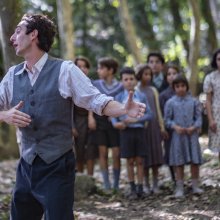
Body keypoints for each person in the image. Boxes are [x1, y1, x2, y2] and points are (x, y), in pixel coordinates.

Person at [0, 14, 146, 220]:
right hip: (26, 166)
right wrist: (5, 115)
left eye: (18, 31)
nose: (12, 37)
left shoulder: (65, 70)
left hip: (57, 164)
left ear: (33, 35)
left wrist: (123, 108)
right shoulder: (11, 76)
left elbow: (96, 100)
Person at [111, 67, 152, 199]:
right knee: (129, 161)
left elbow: (150, 114)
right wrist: (115, 123)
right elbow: (112, 114)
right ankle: (132, 188)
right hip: (126, 132)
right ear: (122, 81)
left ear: (135, 80)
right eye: (125, 79)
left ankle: (141, 188)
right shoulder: (118, 97)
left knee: (140, 160)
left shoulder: (141, 96)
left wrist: (135, 120)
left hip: (139, 131)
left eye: (131, 79)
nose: (129, 82)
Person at [164, 75, 203, 198]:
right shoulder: (170, 102)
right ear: (174, 87)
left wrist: (194, 127)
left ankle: (195, 186)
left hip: (191, 136)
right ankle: (179, 188)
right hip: (178, 136)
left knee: (194, 161)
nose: (180, 89)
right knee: (178, 162)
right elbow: (167, 120)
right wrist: (175, 127)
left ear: (186, 86)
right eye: (177, 86)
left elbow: (199, 118)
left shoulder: (194, 101)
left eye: (183, 86)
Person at [92, 57, 123, 191]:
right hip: (99, 122)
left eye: (101, 68)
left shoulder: (121, 86)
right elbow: (90, 101)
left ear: (110, 70)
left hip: (115, 123)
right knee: (102, 152)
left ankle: (116, 184)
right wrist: (90, 117)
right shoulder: (95, 84)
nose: (98, 71)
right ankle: (106, 184)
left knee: (116, 153)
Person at [135, 64, 166, 195]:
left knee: (155, 156)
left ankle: (155, 184)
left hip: (154, 127)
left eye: (149, 74)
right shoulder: (136, 90)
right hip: (142, 127)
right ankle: (145, 183)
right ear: (139, 75)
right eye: (145, 74)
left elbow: (157, 110)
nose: (147, 77)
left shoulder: (153, 90)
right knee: (144, 157)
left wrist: (161, 126)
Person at [73, 56, 98, 176]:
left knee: (91, 149)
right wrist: (71, 126)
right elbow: (68, 108)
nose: (82, 69)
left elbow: (93, 101)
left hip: (90, 117)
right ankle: (80, 176)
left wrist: (91, 117)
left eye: (85, 66)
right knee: (79, 148)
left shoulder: (92, 83)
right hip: (76, 119)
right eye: (79, 66)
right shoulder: (70, 84)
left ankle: (90, 177)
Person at [159, 64, 179, 184]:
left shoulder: (185, 91)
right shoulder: (163, 95)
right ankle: (174, 179)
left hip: (183, 128)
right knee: (170, 153)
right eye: (169, 74)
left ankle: (182, 178)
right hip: (169, 129)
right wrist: (163, 128)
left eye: (174, 73)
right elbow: (161, 113)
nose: (172, 76)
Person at [203, 48, 220, 162]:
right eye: (219, 59)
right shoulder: (210, 77)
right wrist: (210, 120)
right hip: (217, 115)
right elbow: (208, 101)